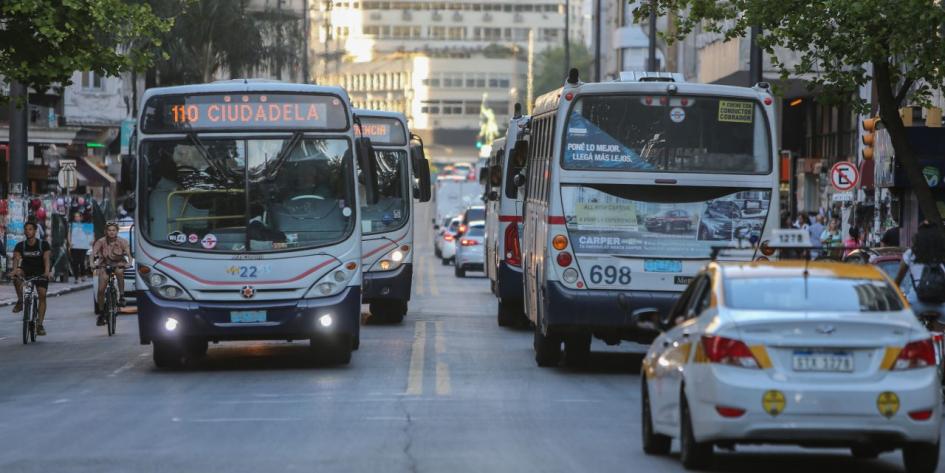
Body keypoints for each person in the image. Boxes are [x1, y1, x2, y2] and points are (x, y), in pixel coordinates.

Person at [896, 221, 945, 316]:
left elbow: (898, 280)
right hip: (942, 306)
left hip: (916, 303)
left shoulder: (910, 254)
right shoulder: (943, 254)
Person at [12, 221, 52, 335]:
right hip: (26, 271)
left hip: (40, 272)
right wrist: (14, 271)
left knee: (42, 294)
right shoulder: (20, 245)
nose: (27, 231)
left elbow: (46, 259)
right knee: (16, 276)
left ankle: (39, 325)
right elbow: (16, 259)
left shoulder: (43, 245)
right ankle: (20, 301)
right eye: (26, 229)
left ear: (35, 231)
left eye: (30, 229)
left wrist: (46, 271)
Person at [92, 222, 130, 325]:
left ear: (117, 231)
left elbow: (129, 254)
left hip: (118, 263)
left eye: (114, 230)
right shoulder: (100, 241)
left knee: (119, 271)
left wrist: (129, 263)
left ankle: (121, 296)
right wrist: (92, 263)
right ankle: (101, 313)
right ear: (106, 232)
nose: (111, 232)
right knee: (100, 290)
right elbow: (93, 253)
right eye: (109, 230)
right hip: (104, 265)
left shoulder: (122, 241)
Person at [67, 212, 92, 283]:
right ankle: (76, 277)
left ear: (81, 217)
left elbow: (89, 235)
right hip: (74, 246)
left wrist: (90, 241)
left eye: (78, 216)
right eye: (75, 216)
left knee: (81, 261)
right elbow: (69, 234)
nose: (77, 218)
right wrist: (70, 242)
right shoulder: (71, 226)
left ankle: (83, 275)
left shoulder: (85, 225)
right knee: (75, 262)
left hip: (83, 246)